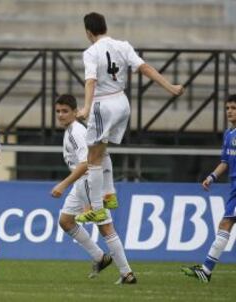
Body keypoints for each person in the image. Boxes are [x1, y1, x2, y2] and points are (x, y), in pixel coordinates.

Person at [76, 12, 184, 223]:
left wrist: (87, 107)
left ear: (88, 32)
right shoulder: (123, 45)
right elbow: (145, 68)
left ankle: (97, 207)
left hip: (103, 104)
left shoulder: (90, 52)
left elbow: (91, 81)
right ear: (105, 27)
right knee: (102, 149)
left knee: (92, 157)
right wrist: (170, 87)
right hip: (122, 103)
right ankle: (109, 194)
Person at [51, 94, 136, 284]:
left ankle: (126, 273)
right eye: (58, 111)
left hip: (89, 182)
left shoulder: (77, 133)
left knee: (106, 228)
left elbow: (85, 164)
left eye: (65, 111)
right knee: (66, 221)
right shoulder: (73, 130)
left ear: (75, 111)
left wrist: (62, 184)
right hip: (81, 183)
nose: (61, 115)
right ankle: (100, 257)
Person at [181, 94, 236, 283]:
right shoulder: (229, 134)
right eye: (228, 108)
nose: (229, 111)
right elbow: (225, 161)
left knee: (226, 224)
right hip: (234, 188)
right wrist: (211, 177)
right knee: (225, 224)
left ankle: (206, 270)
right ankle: (206, 270)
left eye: (233, 108)